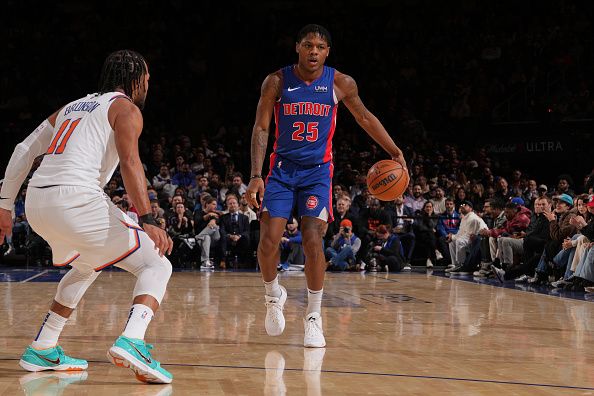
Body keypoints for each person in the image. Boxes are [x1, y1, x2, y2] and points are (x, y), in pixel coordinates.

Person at [0, 50, 173, 383]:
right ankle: (133, 340)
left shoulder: (71, 107)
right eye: (147, 79)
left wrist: (5, 206)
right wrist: (148, 219)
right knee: (157, 263)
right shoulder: (126, 109)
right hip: (76, 199)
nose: (149, 85)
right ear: (134, 78)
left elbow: (24, 149)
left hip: (36, 202)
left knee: (87, 263)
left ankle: (44, 346)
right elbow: (130, 163)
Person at [246, 24, 406, 348]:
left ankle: (314, 317)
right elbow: (261, 127)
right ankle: (272, 294)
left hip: (318, 173)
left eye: (320, 46)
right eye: (308, 45)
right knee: (268, 240)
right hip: (281, 171)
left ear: (327, 52)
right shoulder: (276, 81)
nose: (314, 51)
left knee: (312, 239)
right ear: (297, 48)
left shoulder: (340, 82)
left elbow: (365, 118)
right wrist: (255, 174)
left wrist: (395, 152)